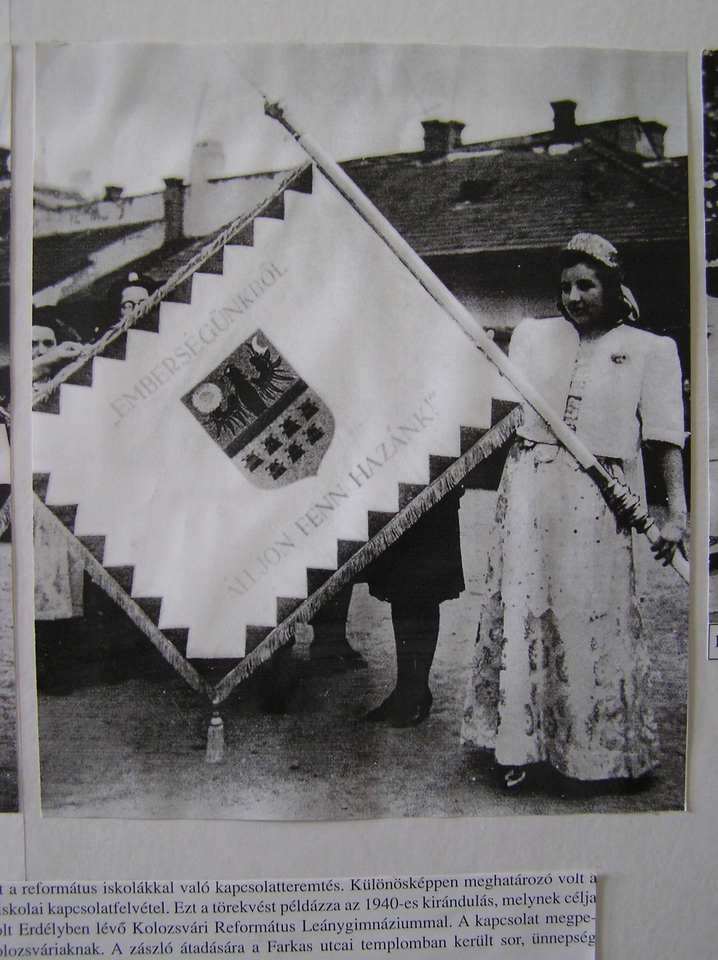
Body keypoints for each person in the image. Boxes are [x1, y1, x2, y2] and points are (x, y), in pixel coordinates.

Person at [461, 233, 687, 789]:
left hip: (599, 497)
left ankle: (596, 751)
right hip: (531, 487)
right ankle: (519, 744)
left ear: (611, 287)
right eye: (565, 287)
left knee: (589, 613)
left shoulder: (650, 349)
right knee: (524, 608)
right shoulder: (534, 336)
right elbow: (496, 407)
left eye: (586, 285)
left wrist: (675, 514)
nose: (574, 297)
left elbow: (664, 439)